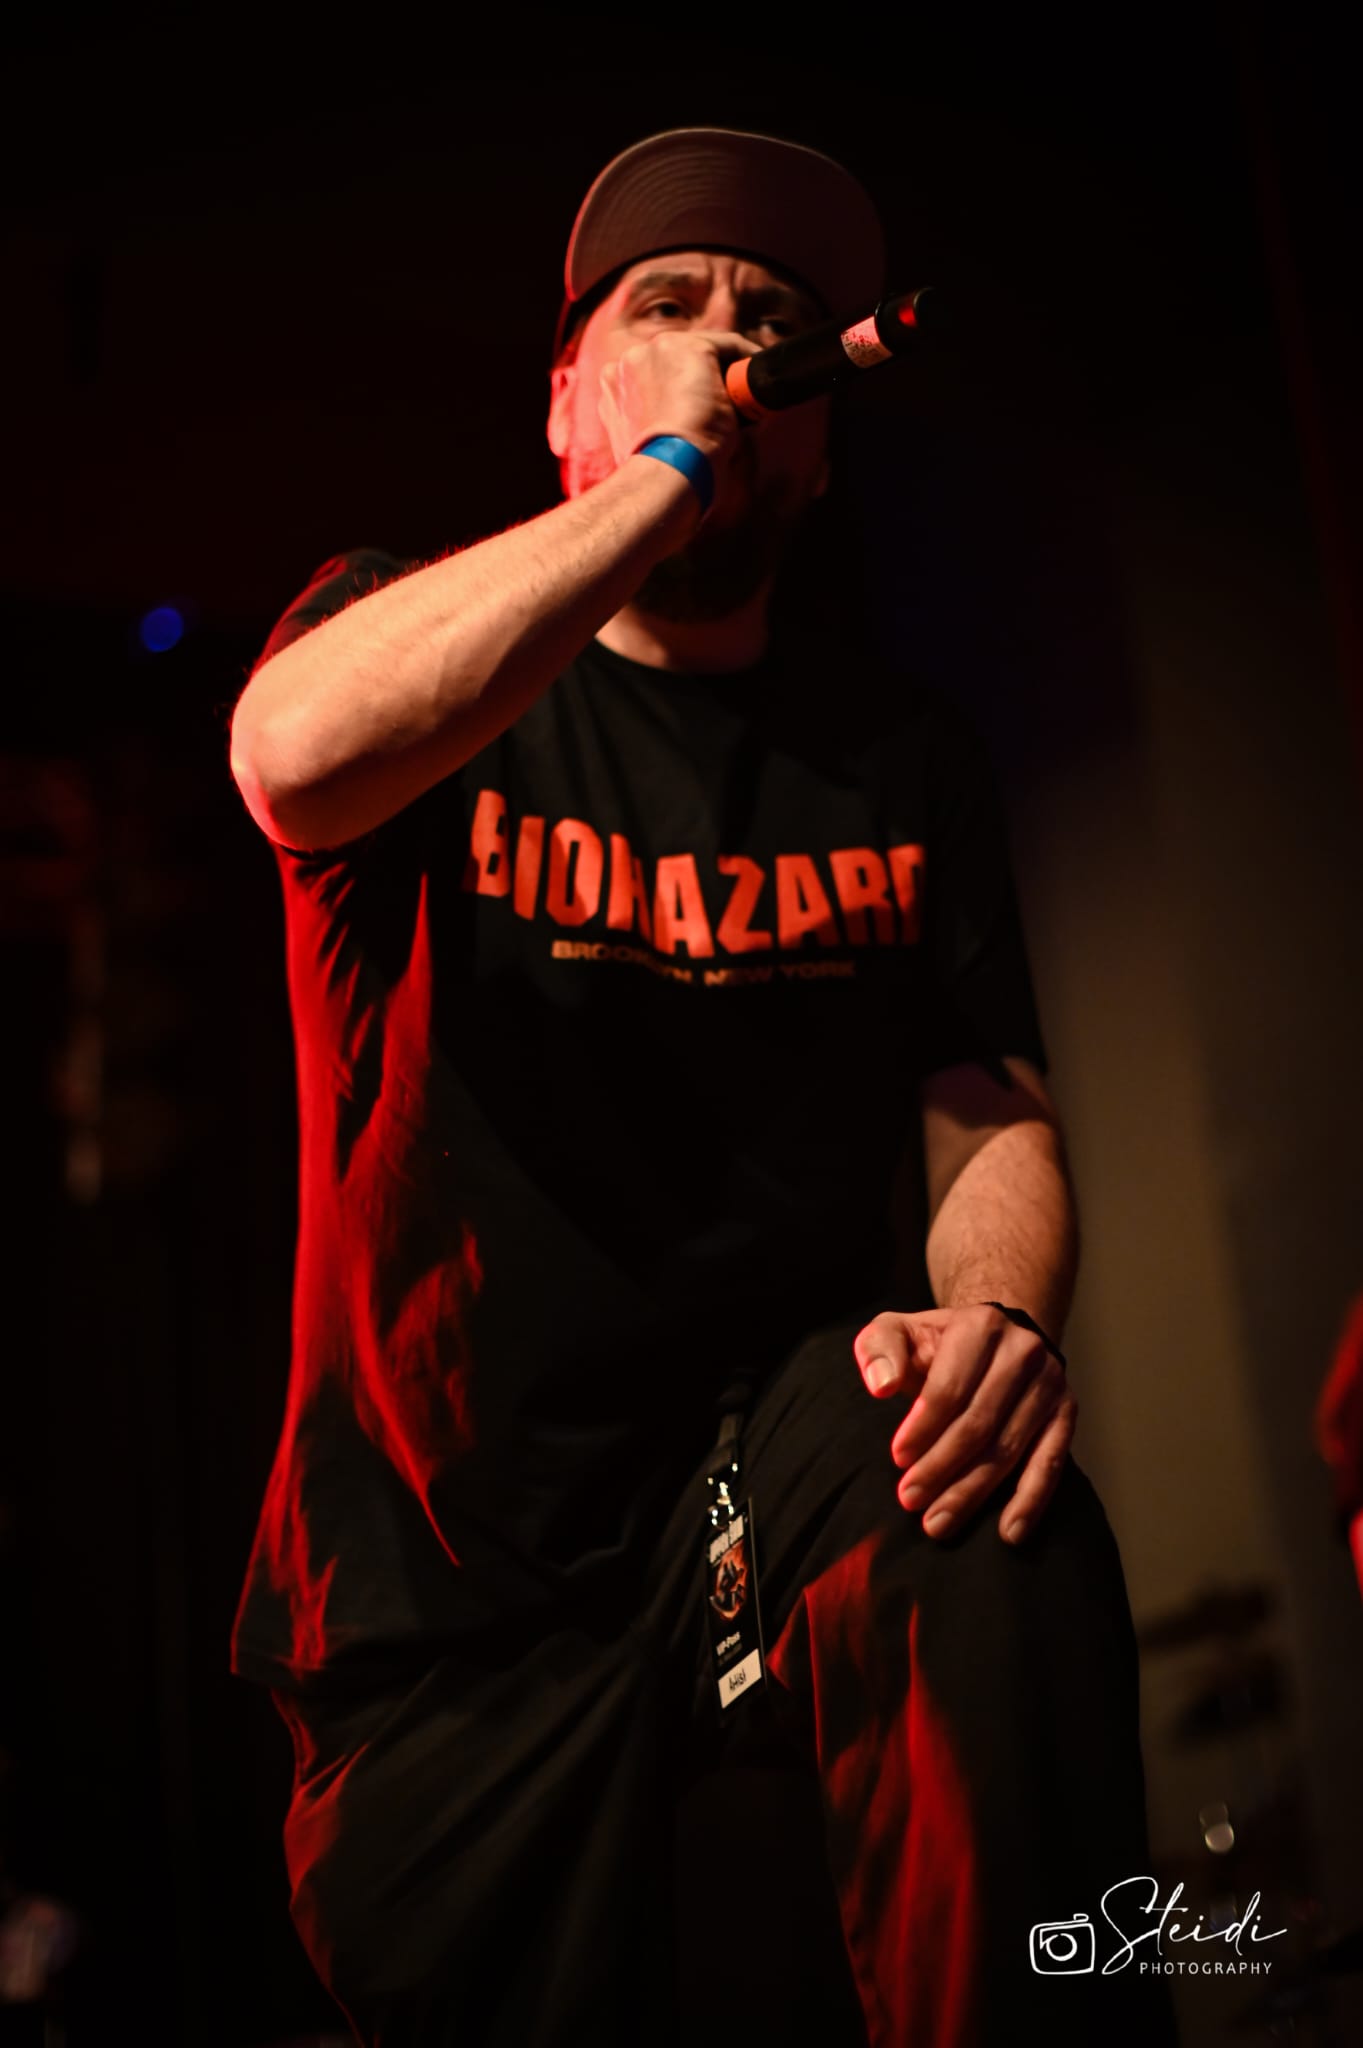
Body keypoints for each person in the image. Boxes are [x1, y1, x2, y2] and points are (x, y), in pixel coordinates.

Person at [228, 127, 1177, 2046]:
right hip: (445, 1582)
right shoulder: (407, 630)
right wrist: (658, 477)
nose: (731, 343)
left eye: (773, 320)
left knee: (973, 1491)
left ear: (821, 445)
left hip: (761, 1482)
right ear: (562, 398)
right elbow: (292, 755)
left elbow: (987, 1102)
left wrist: (996, 1320)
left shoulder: (898, 756)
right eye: (667, 309)